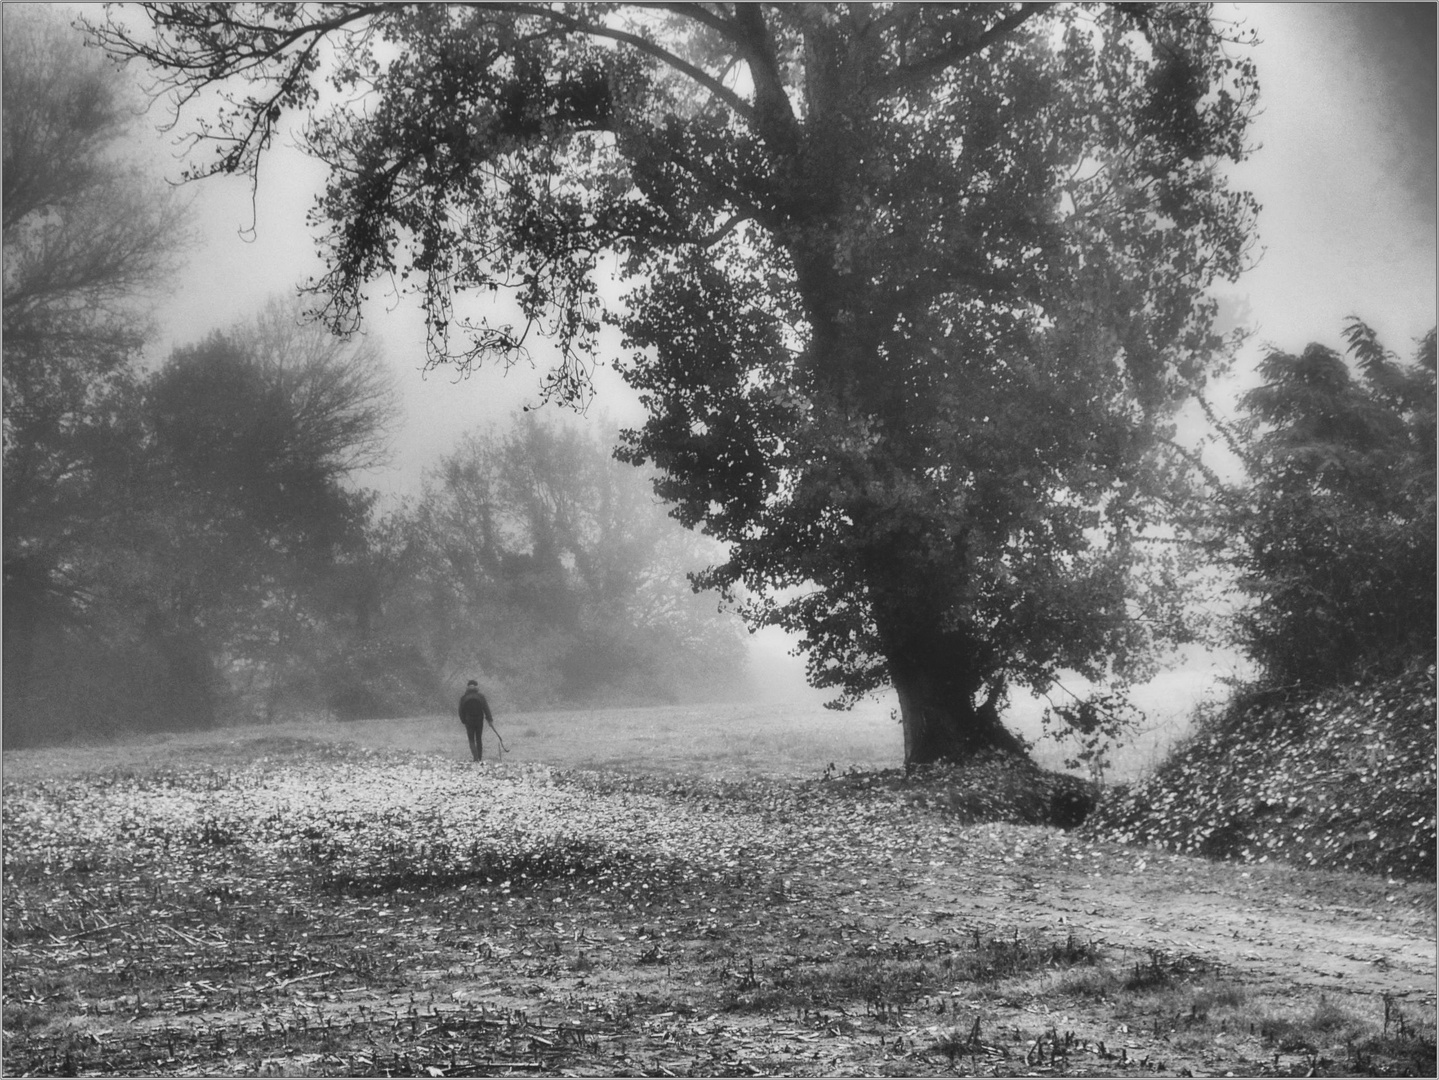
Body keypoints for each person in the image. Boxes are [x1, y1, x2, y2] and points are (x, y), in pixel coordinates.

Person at [458, 680, 496, 762]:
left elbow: (461, 711)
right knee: (479, 739)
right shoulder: (480, 697)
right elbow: (486, 708)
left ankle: (475, 757)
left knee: (471, 739)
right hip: (479, 720)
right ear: (476, 687)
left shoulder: (464, 698)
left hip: (469, 721)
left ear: (467, 687)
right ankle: (479, 757)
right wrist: (489, 719)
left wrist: (463, 720)